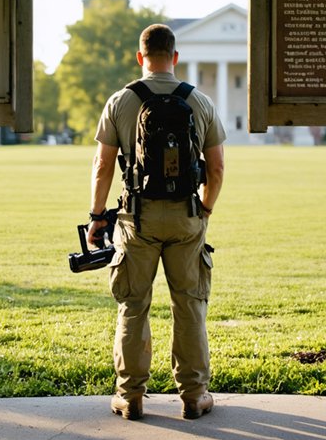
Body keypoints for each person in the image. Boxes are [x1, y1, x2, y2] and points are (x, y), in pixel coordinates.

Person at [88, 23, 226, 421]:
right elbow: (215, 169)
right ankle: (194, 395)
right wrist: (205, 208)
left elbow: (102, 166)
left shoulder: (121, 101)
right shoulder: (199, 101)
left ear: (140, 57)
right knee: (190, 306)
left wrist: (98, 216)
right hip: (186, 217)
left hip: (138, 219)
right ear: (175, 57)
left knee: (133, 306)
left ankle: (130, 396)